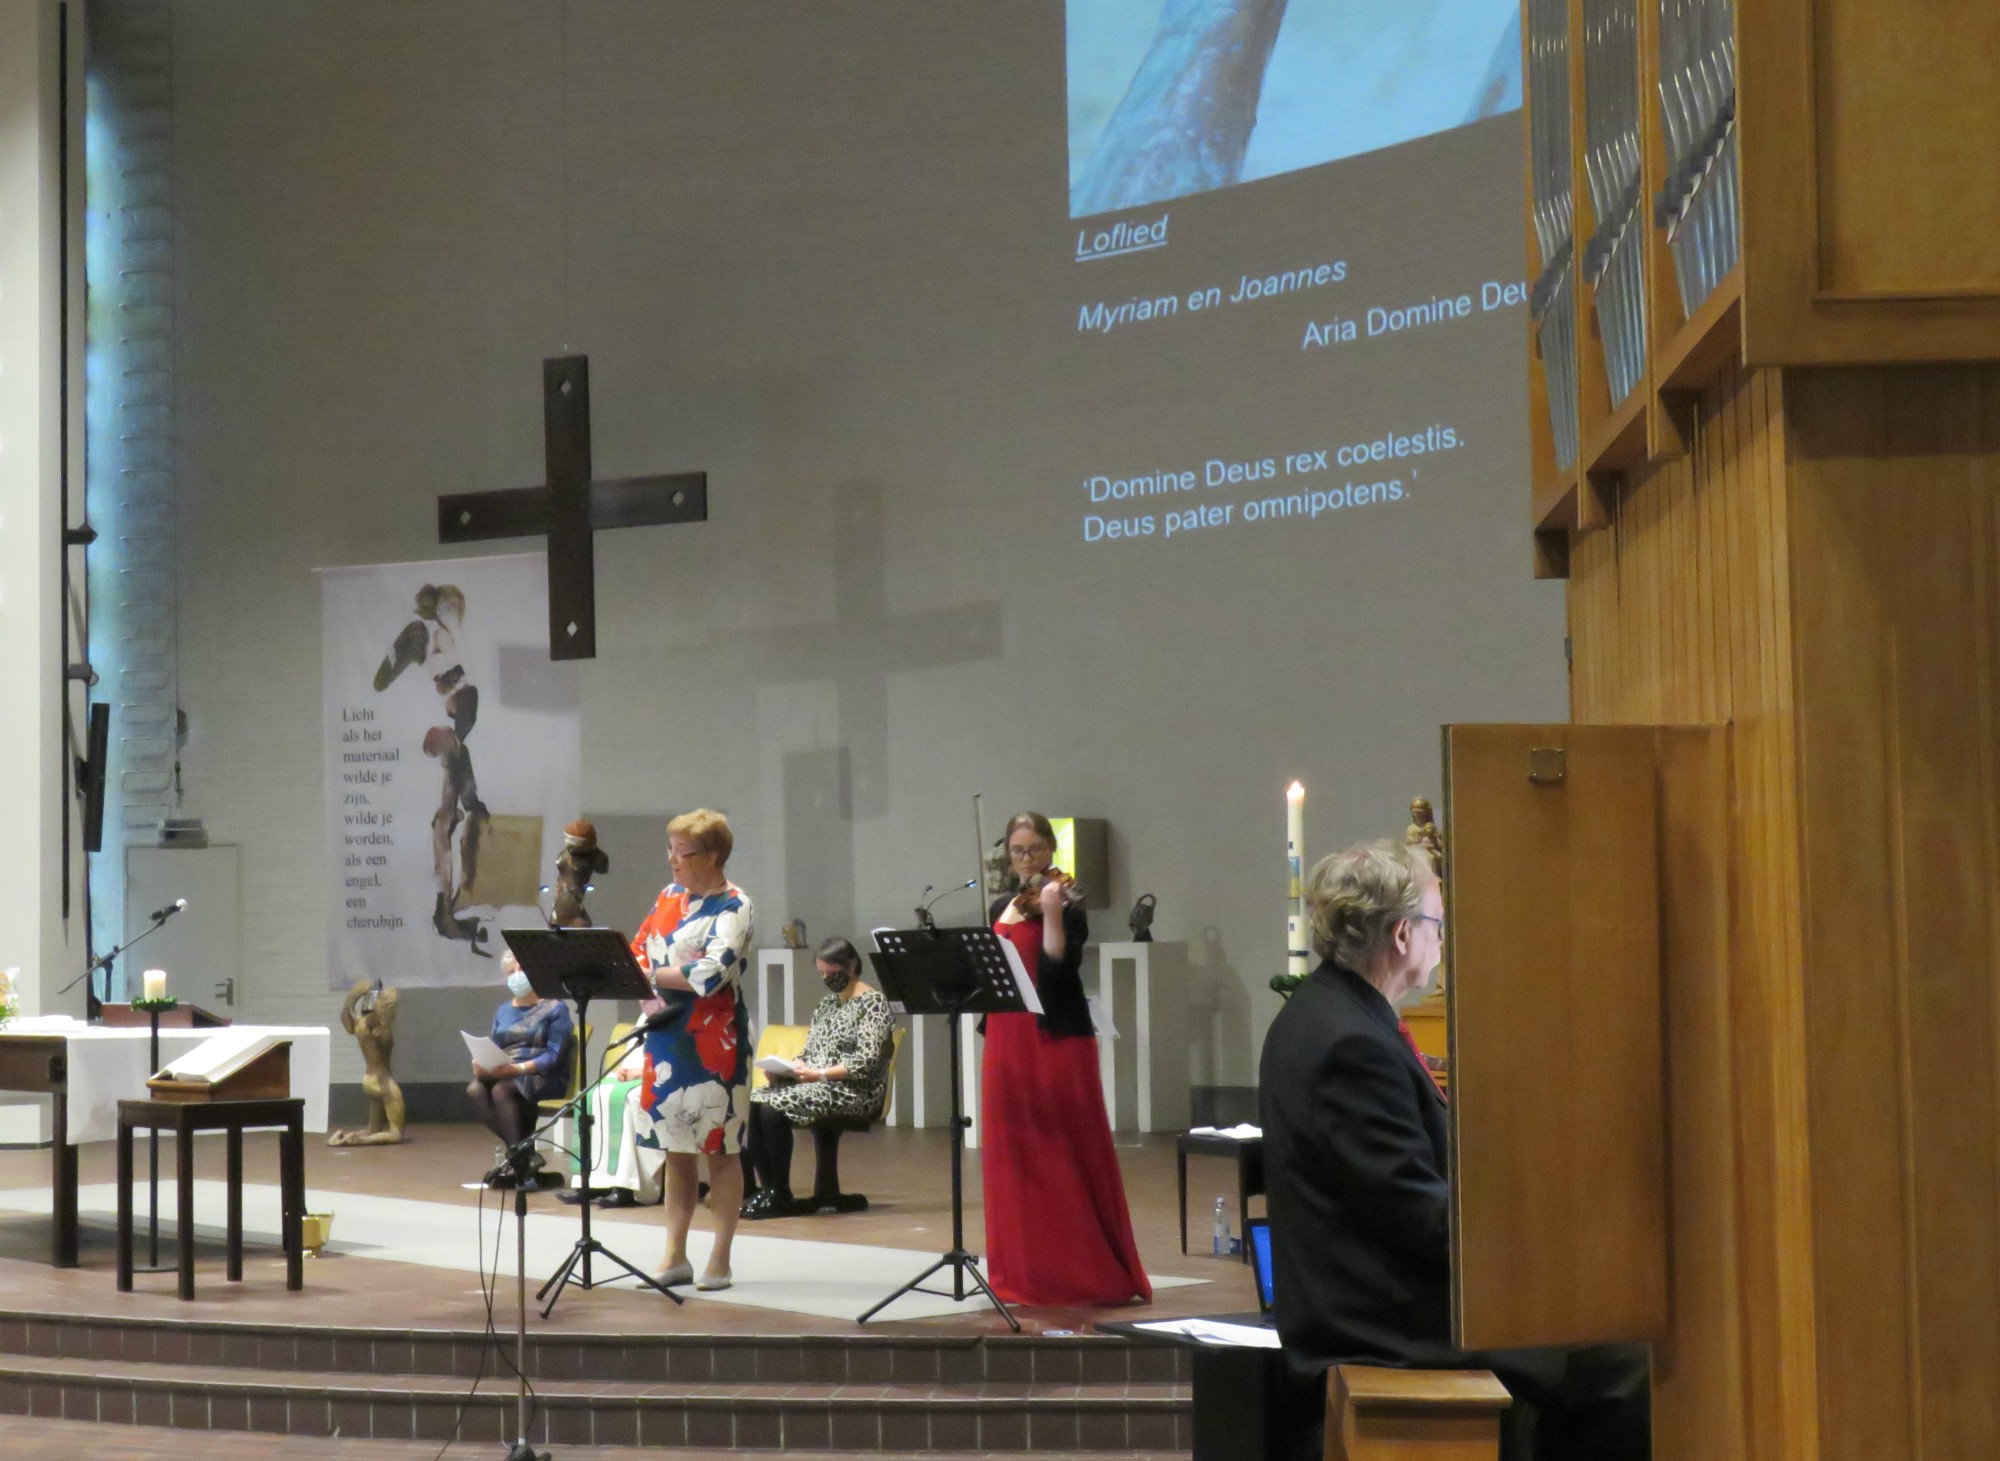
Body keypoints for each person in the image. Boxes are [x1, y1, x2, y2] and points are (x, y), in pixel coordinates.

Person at [1259, 839, 1648, 1461]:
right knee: (1625, 1365)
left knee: (1596, 1342)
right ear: (1404, 935)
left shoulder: (1334, 1012)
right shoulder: (1348, 1043)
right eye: (1441, 924)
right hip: (1382, 1321)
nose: (1444, 940)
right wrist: (1543, 1247)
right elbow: (1419, 1216)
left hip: (1383, 1291)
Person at [981, 811, 1151, 1306]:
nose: (1027, 860)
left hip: (1052, 1034)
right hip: (1006, 1034)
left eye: (1035, 849)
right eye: (1017, 851)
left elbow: (1058, 968)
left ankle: (1074, 1271)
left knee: (1059, 1152)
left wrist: (1052, 912)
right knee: (1012, 1152)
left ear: (1051, 849)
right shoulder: (1000, 902)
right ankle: (1019, 1269)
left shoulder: (1068, 902)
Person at [627, 809, 754, 1291]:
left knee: (719, 1149)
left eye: (685, 852)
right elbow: (638, 947)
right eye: (671, 850)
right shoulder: (668, 897)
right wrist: (646, 974)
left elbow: (707, 975)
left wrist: (649, 975)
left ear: (714, 855)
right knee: (674, 1150)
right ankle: (674, 1256)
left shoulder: (734, 905)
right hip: (666, 1036)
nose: (674, 860)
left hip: (714, 1041)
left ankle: (719, 1257)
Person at [740, 936, 897, 1216]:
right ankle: (763, 1188)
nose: (826, 979)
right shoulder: (827, 1005)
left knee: (772, 1108)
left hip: (853, 1090)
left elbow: (865, 1061)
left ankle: (780, 1192)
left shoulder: (873, 1004)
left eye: (831, 973)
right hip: (819, 1084)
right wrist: (789, 1070)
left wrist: (820, 1074)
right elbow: (811, 1052)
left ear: (850, 967)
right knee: (752, 1101)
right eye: (822, 973)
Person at [465, 950, 574, 1182]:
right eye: (511, 972)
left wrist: (519, 1069)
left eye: (521, 970)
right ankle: (524, 1156)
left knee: (501, 1090)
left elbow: (555, 1055)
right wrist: (482, 1063)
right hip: (505, 1071)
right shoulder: (503, 1010)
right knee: (475, 1089)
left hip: (541, 1074)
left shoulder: (556, 1008)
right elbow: (494, 1045)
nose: (516, 976)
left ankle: (520, 1164)